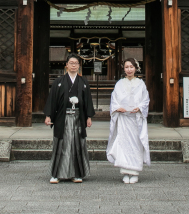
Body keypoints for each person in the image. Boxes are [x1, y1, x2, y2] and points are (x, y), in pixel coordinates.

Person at [44, 53, 95, 184]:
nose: (73, 65)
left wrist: (89, 117)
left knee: (77, 145)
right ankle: (56, 174)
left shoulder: (83, 82)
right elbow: (52, 100)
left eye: (76, 63)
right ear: (66, 65)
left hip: (78, 117)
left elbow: (88, 100)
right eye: (71, 63)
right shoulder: (58, 82)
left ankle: (77, 174)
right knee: (61, 144)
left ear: (79, 66)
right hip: (63, 117)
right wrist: (48, 115)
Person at [106, 58, 150, 183]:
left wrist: (140, 108)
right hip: (124, 118)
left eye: (131, 67)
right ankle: (125, 171)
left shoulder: (141, 84)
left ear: (136, 68)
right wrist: (117, 107)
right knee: (124, 143)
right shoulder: (119, 83)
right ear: (123, 69)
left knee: (135, 144)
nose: (129, 69)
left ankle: (135, 172)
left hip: (135, 119)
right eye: (127, 67)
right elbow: (114, 99)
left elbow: (145, 100)